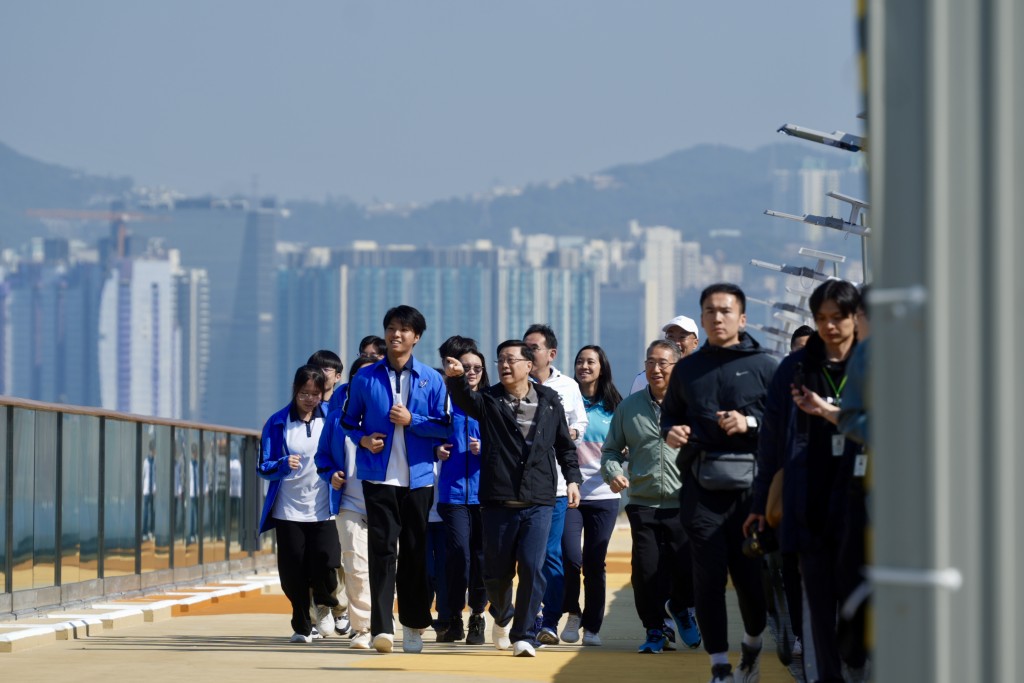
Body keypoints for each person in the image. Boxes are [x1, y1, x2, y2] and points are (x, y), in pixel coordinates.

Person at [752, 281, 870, 682]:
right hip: (809, 504)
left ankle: (855, 662)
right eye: (822, 319)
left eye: (838, 317)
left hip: (864, 505)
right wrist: (759, 505)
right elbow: (770, 442)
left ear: (856, 318)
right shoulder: (796, 368)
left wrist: (828, 412)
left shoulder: (875, 364)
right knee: (817, 611)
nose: (830, 327)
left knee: (861, 611)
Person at [661, 283, 777, 683]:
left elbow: (785, 427)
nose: (718, 317)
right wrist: (672, 432)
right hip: (701, 486)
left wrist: (750, 423)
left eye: (726, 311)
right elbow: (670, 417)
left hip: (752, 490)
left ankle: (752, 645)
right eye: (710, 311)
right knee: (707, 578)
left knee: (749, 579)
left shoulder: (765, 366)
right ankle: (719, 667)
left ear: (742, 318)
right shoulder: (688, 369)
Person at [443, 340, 582, 658]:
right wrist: (455, 378)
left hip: (539, 498)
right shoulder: (488, 401)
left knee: (533, 567)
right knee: (496, 574)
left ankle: (523, 634)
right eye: (500, 360)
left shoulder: (549, 400)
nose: (504, 365)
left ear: (529, 365)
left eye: (511, 359)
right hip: (498, 501)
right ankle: (502, 612)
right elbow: (465, 400)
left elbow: (564, 446)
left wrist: (573, 480)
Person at [340, 305, 451, 654]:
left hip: (418, 480)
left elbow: (446, 427)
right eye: (391, 328)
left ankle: (415, 625)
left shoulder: (432, 379)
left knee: (416, 553)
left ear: (417, 337)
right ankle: (382, 628)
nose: (396, 334)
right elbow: (347, 422)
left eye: (404, 329)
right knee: (382, 552)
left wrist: (412, 420)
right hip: (378, 478)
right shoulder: (365, 378)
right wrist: (363, 440)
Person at [603, 340, 702, 654]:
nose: (656, 369)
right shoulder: (629, 407)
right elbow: (610, 450)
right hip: (643, 503)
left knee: (688, 570)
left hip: (684, 504)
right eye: (650, 362)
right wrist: (613, 471)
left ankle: (683, 608)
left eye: (663, 363)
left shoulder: (693, 405)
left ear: (677, 367)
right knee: (645, 572)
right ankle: (654, 629)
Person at [257, 365, 341, 643]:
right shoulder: (278, 422)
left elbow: (343, 452)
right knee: (293, 570)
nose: (309, 399)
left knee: (327, 563)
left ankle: (325, 601)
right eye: (304, 393)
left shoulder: (331, 418)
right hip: (288, 509)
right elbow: (263, 466)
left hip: (324, 506)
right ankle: (302, 626)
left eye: (315, 394)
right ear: (295, 390)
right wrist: (283, 464)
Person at [522, 323, 588, 644]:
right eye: (525, 347)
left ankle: (548, 620)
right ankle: (530, 616)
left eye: (533, 347)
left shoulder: (568, 386)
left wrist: (571, 434)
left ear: (551, 353)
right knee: (527, 555)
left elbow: (580, 422)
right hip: (521, 487)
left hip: (558, 486)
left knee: (550, 554)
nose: (527, 353)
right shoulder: (513, 385)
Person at [558, 345, 624, 647]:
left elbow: (629, 442)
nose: (584, 366)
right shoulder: (564, 400)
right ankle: (572, 613)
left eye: (591, 361)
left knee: (595, 562)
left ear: (602, 367)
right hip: (568, 492)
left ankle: (593, 627)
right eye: (580, 361)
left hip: (605, 495)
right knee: (571, 558)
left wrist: (623, 456)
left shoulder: (615, 405)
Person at [316, 355, 377, 649]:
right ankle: (362, 628)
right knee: (354, 566)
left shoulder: (389, 416)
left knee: (382, 566)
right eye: (362, 378)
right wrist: (331, 475)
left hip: (385, 502)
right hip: (349, 502)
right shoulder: (337, 418)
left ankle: (381, 624)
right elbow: (322, 457)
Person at [434, 336, 488, 645]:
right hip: (452, 493)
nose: (471, 372)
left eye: (477, 368)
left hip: (484, 495)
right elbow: (428, 433)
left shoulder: (490, 402)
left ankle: (477, 616)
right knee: (458, 554)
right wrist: (436, 449)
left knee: (481, 558)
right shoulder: (445, 402)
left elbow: (509, 443)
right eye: (465, 367)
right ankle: (452, 616)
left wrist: (487, 447)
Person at [630, 315, 700, 394]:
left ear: (695, 343)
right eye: (671, 336)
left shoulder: (703, 377)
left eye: (682, 337)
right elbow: (632, 405)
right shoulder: (644, 379)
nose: (676, 342)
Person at [142, 440, 157, 542]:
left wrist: (155, 487)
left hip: (153, 490)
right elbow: (144, 476)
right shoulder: (146, 462)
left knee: (153, 511)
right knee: (146, 512)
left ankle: (151, 531)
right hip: (147, 490)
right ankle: (144, 532)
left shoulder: (155, 461)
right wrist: (143, 488)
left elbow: (155, 475)